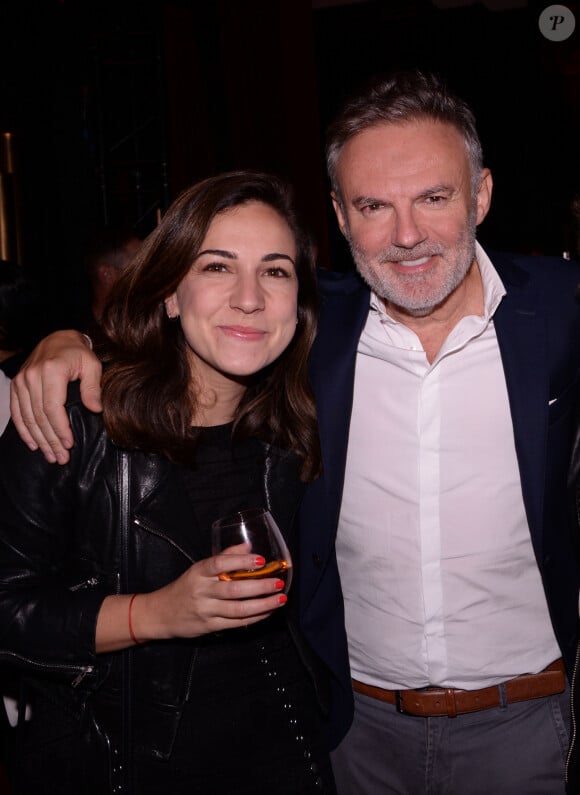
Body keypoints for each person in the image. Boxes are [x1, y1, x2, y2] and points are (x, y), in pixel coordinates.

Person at [8, 70, 580, 794]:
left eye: (434, 197)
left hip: (521, 729)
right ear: (341, 217)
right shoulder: (319, 329)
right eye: (374, 205)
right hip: (350, 730)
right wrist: (65, 342)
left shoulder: (562, 314)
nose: (406, 235)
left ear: (481, 195)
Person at [0, 170, 338, 794]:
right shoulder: (76, 419)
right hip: (128, 766)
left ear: (300, 301)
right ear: (170, 294)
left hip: (293, 757)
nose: (249, 297)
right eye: (216, 267)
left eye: (275, 270)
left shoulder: (301, 429)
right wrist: (154, 614)